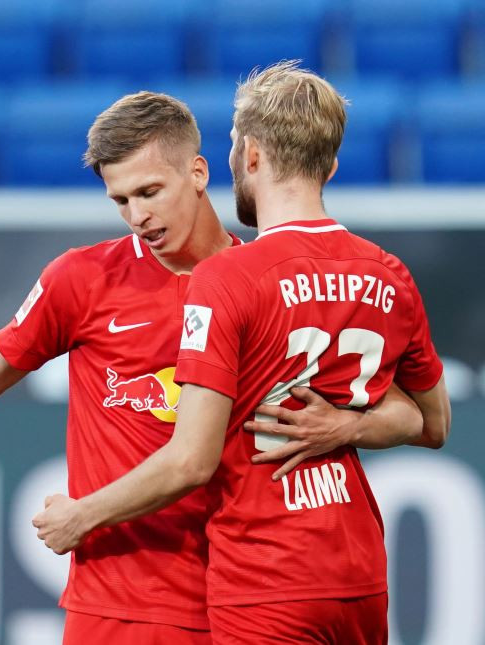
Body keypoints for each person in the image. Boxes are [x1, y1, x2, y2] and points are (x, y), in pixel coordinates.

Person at [0, 90, 423, 644]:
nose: (138, 216)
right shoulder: (82, 280)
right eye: (121, 200)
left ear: (199, 173)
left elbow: (407, 408)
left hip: (242, 596)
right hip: (120, 607)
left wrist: (350, 425)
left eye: (150, 191)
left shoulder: (263, 283)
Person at [30, 62, 452, 644]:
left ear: (248, 156)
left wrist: (80, 515)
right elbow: (430, 422)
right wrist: (343, 425)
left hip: (264, 571)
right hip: (356, 564)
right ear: (328, 164)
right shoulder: (388, 273)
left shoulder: (230, 277)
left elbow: (190, 461)